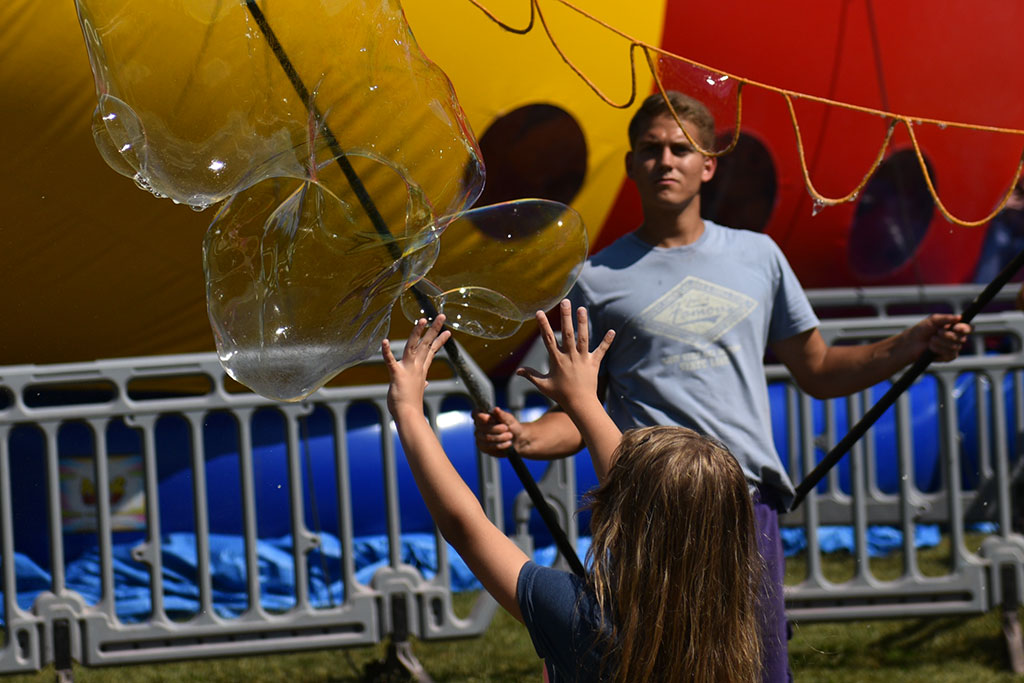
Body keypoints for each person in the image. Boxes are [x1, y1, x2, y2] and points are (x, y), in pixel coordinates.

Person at [474, 90, 972, 682]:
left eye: (681, 149)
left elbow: (818, 369)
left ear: (708, 164)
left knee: (755, 664)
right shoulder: (596, 279)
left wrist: (910, 344)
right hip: (646, 506)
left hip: (741, 504)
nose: (666, 161)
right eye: (651, 149)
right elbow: (586, 410)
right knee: (651, 661)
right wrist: (524, 436)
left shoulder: (759, 256)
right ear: (632, 163)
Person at [383, 307, 763, 682]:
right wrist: (583, 401)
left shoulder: (584, 619)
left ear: (624, 512)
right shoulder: (734, 627)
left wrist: (409, 412)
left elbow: (465, 526)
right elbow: (640, 496)